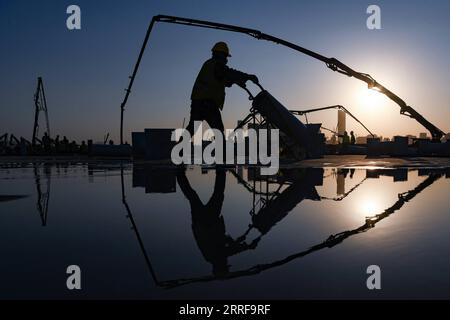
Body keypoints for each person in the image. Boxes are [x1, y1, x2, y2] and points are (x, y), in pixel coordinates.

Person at [186, 41, 259, 137]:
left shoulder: (210, 64)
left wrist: (236, 81)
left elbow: (224, 80)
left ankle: (179, 149)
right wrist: (248, 76)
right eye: (225, 56)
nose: (226, 59)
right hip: (208, 103)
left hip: (198, 102)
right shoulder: (217, 64)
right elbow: (229, 73)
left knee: (192, 128)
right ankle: (222, 151)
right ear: (220, 54)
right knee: (218, 132)